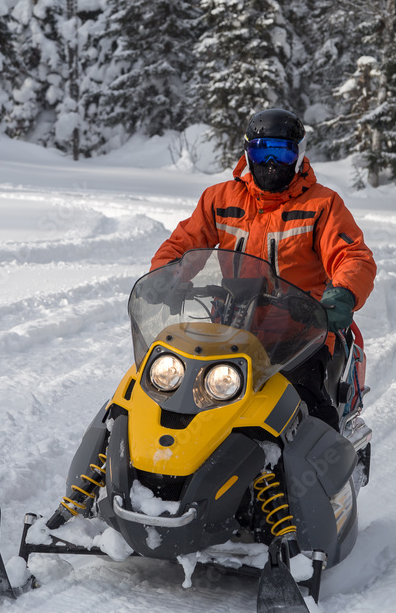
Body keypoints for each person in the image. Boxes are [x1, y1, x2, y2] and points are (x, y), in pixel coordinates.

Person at [150, 109, 376, 430]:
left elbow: (352, 255)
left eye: (281, 152)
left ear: (298, 156)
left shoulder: (322, 204)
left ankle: (319, 473)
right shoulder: (219, 198)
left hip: (301, 335)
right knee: (174, 394)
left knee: (309, 417)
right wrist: (167, 275)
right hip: (229, 327)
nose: (271, 162)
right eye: (262, 149)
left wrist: (342, 293)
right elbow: (184, 243)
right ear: (247, 152)